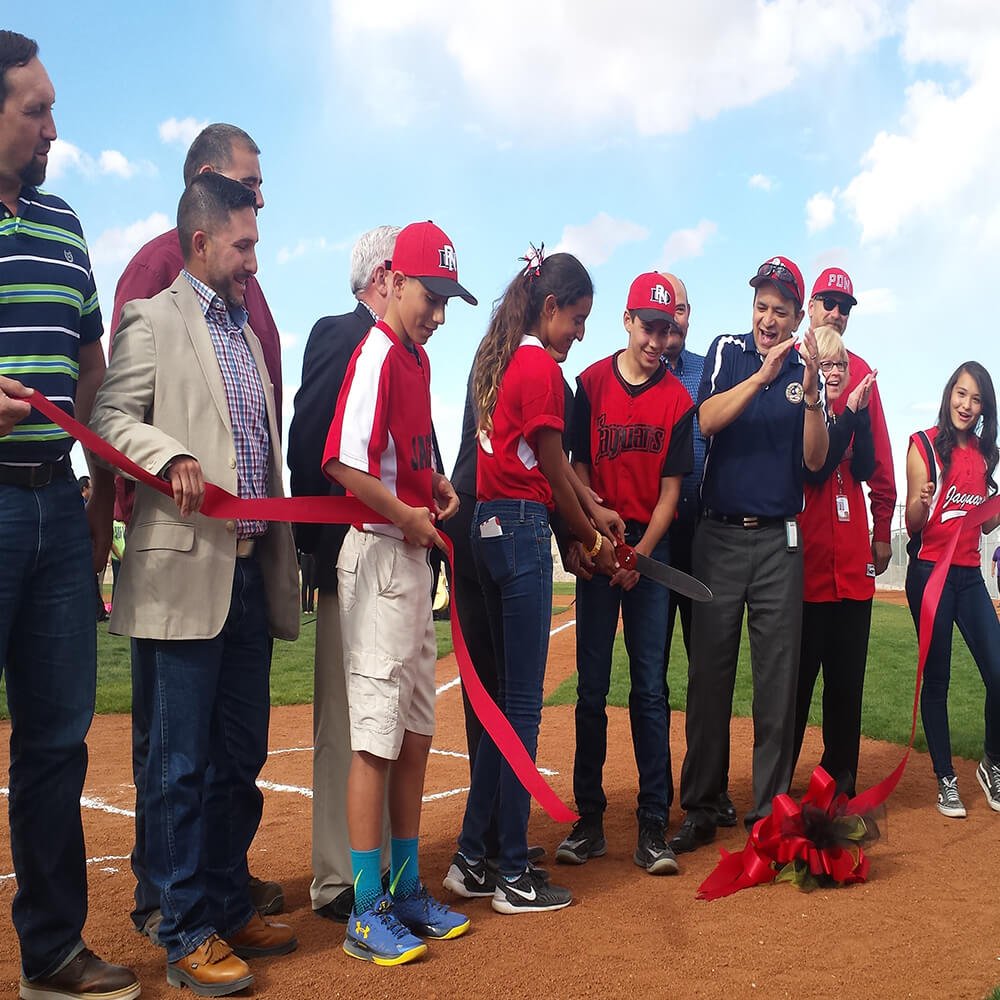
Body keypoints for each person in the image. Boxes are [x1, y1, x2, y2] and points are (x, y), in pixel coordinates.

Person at [90, 173, 300, 996]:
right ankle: (182, 931)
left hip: (249, 575)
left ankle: (223, 898)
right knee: (178, 764)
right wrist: (167, 456)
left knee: (240, 756)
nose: (255, 260)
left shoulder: (246, 334)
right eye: (244, 245)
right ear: (203, 241)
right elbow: (108, 421)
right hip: (182, 574)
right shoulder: (151, 320)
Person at [0, 30, 140, 1000]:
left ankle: (52, 953)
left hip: (56, 505)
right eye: (36, 110)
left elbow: (90, 361)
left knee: (55, 742)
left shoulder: (63, 222)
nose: (55, 126)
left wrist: (98, 484)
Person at [444, 248, 620, 914]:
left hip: (490, 527)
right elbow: (549, 470)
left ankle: (471, 856)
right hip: (517, 532)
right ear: (551, 307)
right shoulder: (540, 367)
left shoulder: (505, 356)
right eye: (577, 318)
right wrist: (594, 538)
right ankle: (513, 872)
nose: (580, 332)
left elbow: (547, 467)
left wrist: (589, 513)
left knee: (502, 713)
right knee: (520, 709)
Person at [322, 220, 474, 964]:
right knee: (376, 741)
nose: (440, 314)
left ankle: (407, 889)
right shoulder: (378, 351)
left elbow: (396, 459)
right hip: (380, 558)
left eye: (448, 301)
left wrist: (430, 486)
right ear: (395, 281)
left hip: (410, 558)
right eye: (432, 296)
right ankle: (365, 906)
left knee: (415, 735)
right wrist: (407, 513)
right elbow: (343, 464)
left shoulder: (414, 360)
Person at [670, 256, 827, 855]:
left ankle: (770, 809)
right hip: (720, 535)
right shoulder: (726, 350)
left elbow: (814, 461)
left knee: (775, 681)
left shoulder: (807, 370)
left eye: (779, 310)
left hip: (779, 541)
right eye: (761, 306)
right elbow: (704, 420)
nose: (767, 317)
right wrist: (763, 376)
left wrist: (810, 393)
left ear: (795, 317)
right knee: (709, 674)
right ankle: (703, 804)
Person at [556, 272, 693, 875]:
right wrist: (595, 539)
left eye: (667, 329)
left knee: (650, 690)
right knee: (590, 688)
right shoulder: (589, 385)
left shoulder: (679, 402)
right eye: (648, 326)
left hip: (645, 550)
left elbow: (670, 495)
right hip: (597, 543)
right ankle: (589, 821)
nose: (657, 339)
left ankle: (652, 825)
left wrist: (640, 554)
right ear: (628, 320)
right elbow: (577, 469)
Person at [287, 224, 400, 924]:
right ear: (386, 275)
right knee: (345, 721)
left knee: (383, 714)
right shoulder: (342, 332)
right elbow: (307, 444)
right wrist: (315, 547)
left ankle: (374, 867)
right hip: (348, 554)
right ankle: (337, 878)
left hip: (392, 560)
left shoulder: (399, 351)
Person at [904, 361, 1000, 818]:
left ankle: (992, 762)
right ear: (949, 395)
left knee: (998, 673)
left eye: (976, 398)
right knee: (937, 678)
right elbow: (914, 526)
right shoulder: (923, 445)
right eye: (960, 394)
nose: (966, 404)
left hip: (967, 577)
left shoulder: (985, 454)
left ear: (985, 407)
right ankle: (946, 778)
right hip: (929, 574)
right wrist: (922, 505)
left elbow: (985, 524)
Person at [658, 271, 737, 829]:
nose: (673, 323)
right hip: (656, 539)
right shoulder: (636, 367)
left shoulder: (704, 371)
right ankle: (655, 792)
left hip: (703, 529)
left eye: (682, 311)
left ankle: (708, 787)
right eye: (664, 314)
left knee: (709, 668)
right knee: (651, 667)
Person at [792, 326, 876, 797]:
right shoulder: (804, 414)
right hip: (810, 574)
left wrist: (858, 417)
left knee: (846, 689)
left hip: (851, 572)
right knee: (798, 689)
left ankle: (841, 782)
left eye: (840, 364)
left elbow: (863, 467)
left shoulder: (849, 413)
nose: (835, 372)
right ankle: (777, 786)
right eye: (826, 364)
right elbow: (816, 468)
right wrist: (847, 416)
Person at [808, 267, 895, 576]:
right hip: (799, 530)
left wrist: (883, 529)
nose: (835, 313)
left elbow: (880, 457)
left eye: (844, 307)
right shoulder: (787, 361)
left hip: (850, 528)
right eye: (828, 303)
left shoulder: (859, 370)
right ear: (810, 307)